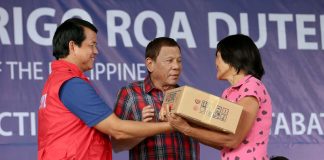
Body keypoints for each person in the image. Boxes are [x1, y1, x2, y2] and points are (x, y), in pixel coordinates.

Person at [38, 18, 173, 160]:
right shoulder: (71, 84)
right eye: (92, 45)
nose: (96, 51)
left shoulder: (57, 81)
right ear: (73, 46)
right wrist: (172, 126)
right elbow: (117, 129)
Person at [163, 34, 272, 160]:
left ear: (232, 58)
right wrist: (183, 122)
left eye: (218, 56)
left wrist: (187, 128)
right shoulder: (228, 92)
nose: (215, 62)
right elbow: (222, 142)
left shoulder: (252, 85)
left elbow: (233, 140)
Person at [112, 37, 200, 160]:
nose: (176, 66)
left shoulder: (188, 96)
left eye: (179, 61)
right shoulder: (130, 94)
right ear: (150, 64)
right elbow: (116, 145)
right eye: (169, 60)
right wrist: (143, 129)